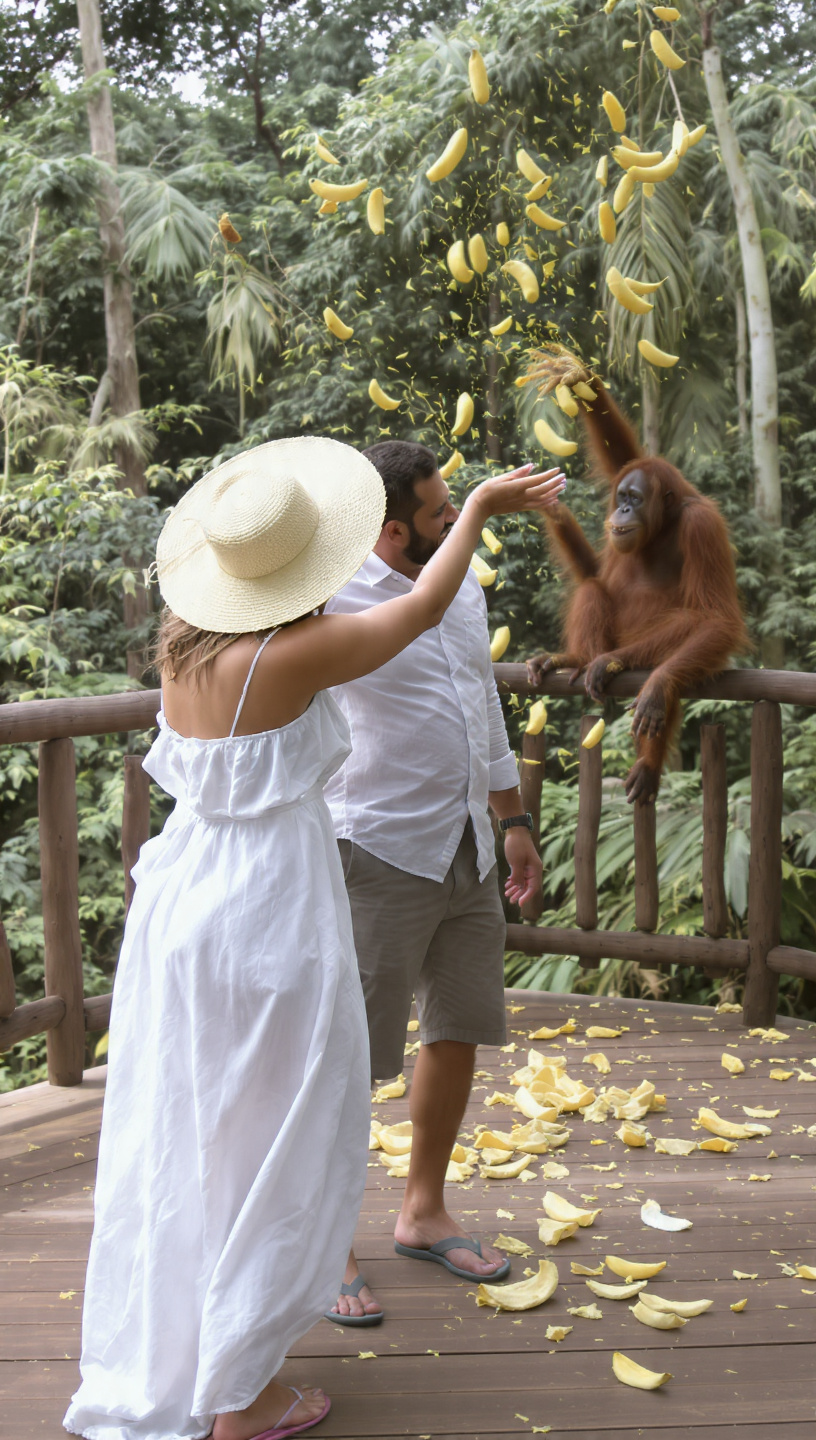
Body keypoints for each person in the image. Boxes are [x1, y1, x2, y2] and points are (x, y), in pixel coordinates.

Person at [63, 435, 565, 1440]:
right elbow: (420, 610)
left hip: (184, 897)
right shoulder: (294, 651)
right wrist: (475, 513)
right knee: (282, 1132)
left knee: (206, 1131)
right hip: (263, 902)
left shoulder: (184, 640)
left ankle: (214, 1353)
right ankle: (243, 1397)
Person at [324, 440, 564, 1327]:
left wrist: (511, 820)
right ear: (394, 533)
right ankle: (329, 1241)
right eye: (438, 511)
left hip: (463, 839)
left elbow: (480, 699)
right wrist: (478, 518)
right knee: (349, 1058)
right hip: (377, 846)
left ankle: (422, 1211)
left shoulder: (456, 574)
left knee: (457, 1028)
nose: (452, 515)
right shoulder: (335, 591)